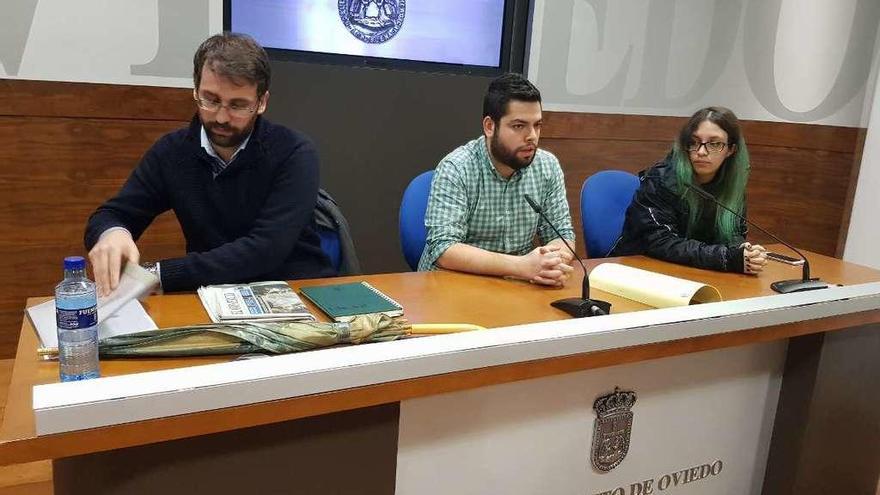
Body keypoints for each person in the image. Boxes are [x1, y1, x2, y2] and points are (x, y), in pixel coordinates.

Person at [85, 33, 335, 295]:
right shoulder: (172, 152)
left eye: (238, 105)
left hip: (297, 291)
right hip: (211, 297)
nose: (221, 117)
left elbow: (264, 250)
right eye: (210, 100)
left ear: (262, 102)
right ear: (195, 90)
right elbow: (112, 214)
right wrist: (112, 232)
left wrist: (159, 274)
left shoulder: (294, 152)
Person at [417, 73, 576, 286]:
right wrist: (522, 266)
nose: (532, 136)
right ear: (490, 126)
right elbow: (444, 249)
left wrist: (552, 263)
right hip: (452, 285)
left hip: (516, 285)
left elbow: (563, 235)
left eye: (537, 125)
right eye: (519, 126)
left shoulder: (547, 166)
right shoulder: (457, 167)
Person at [610, 106, 767, 274]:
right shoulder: (661, 180)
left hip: (693, 273)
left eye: (714, 144)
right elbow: (661, 242)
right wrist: (726, 258)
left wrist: (744, 251)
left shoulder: (731, 187)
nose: (701, 151)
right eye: (694, 142)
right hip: (639, 272)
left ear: (731, 150)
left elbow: (735, 233)